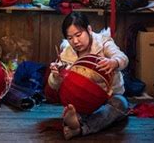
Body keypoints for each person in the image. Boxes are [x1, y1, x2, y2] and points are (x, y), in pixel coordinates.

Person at [48, 12, 129, 140]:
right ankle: (76, 120)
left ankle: (79, 127)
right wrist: (56, 76)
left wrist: (114, 62)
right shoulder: (66, 53)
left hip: (110, 96)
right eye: (70, 38)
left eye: (78, 35)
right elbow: (54, 85)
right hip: (85, 100)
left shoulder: (103, 42)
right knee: (74, 108)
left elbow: (123, 58)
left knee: (121, 105)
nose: (75, 41)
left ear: (89, 30)